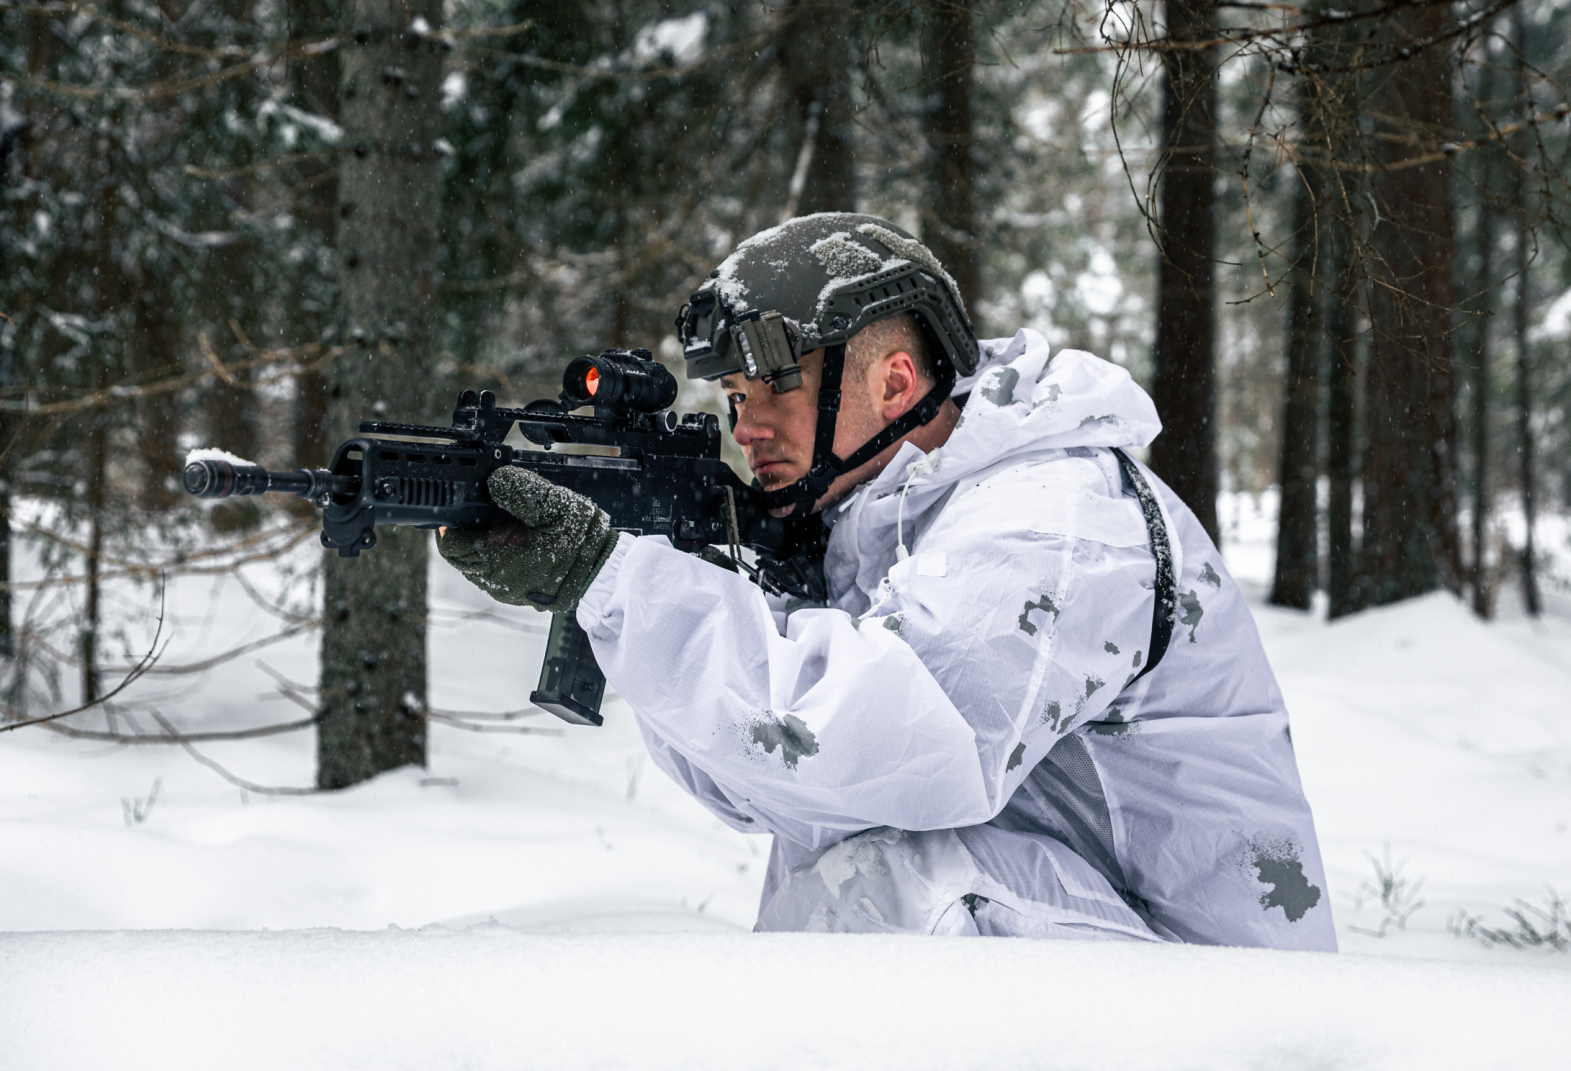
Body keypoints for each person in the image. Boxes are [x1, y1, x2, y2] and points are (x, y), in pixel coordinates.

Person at [438, 213, 1336, 948]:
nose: (744, 431)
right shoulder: (880, 521)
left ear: (896, 381)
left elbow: (892, 746)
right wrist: (639, 587)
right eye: (735, 402)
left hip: (1219, 1007)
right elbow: (774, 789)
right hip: (1111, 965)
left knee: (897, 871)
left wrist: (615, 579)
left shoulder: (1054, 517)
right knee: (835, 848)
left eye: (771, 394)